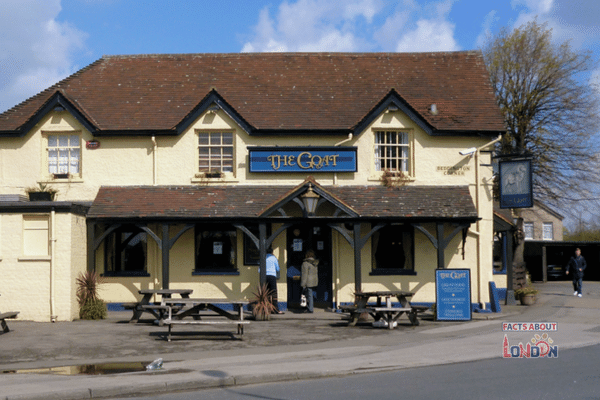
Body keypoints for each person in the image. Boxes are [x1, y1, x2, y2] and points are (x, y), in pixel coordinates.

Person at [265, 247, 284, 314]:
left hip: (264, 277)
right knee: (274, 293)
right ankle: (276, 309)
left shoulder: (263, 258)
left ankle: (266, 309)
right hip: (272, 276)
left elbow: (259, 270)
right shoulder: (274, 258)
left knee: (265, 293)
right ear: (272, 252)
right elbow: (278, 269)